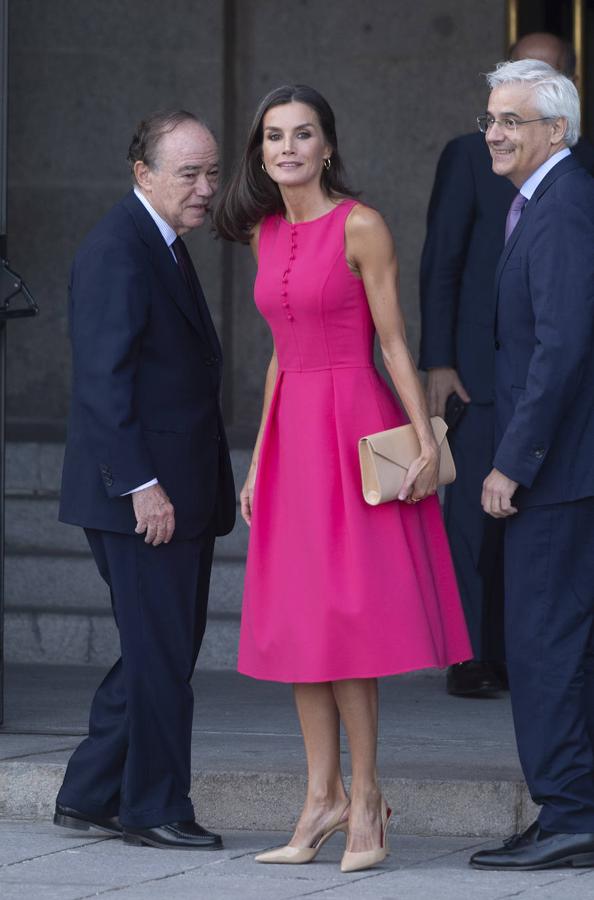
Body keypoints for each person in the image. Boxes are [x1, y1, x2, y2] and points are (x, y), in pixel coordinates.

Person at [214, 84, 471, 873]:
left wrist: (422, 438)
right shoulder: (262, 234)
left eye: (303, 134)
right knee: (302, 621)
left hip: (352, 423)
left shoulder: (362, 225)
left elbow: (394, 343)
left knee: (346, 621)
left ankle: (365, 798)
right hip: (293, 436)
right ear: (261, 153)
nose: (287, 148)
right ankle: (320, 794)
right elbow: (277, 354)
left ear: (327, 147)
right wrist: (258, 458)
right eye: (274, 136)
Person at [54, 110, 236, 850]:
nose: (206, 188)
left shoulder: (157, 240)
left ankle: (90, 791)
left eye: (212, 173)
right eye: (189, 173)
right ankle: (154, 807)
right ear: (143, 173)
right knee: (161, 653)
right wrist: (140, 485)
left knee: (161, 646)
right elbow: (103, 382)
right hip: (141, 494)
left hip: (172, 486)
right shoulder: (118, 248)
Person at [419, 32, 594, 698]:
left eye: (545, 74)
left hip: (548, 384)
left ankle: (526, 657)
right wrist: (438, 359)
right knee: (471, 522)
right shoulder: (468, 155)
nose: (498, 128)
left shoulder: (574, 176)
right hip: (476, 376)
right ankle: (470, 653)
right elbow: (442, 260)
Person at [468, 60, 594, 870]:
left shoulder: (564, 206)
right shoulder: (547, 201)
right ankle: (574, 808)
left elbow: (562, 348)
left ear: (556, 130)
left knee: (545, 644)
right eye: (490, 118)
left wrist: (513, 462)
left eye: (511, 120)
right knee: (557, 641)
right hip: (566, 468)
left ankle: (570, 815)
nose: (494, 133)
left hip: (558, 474)